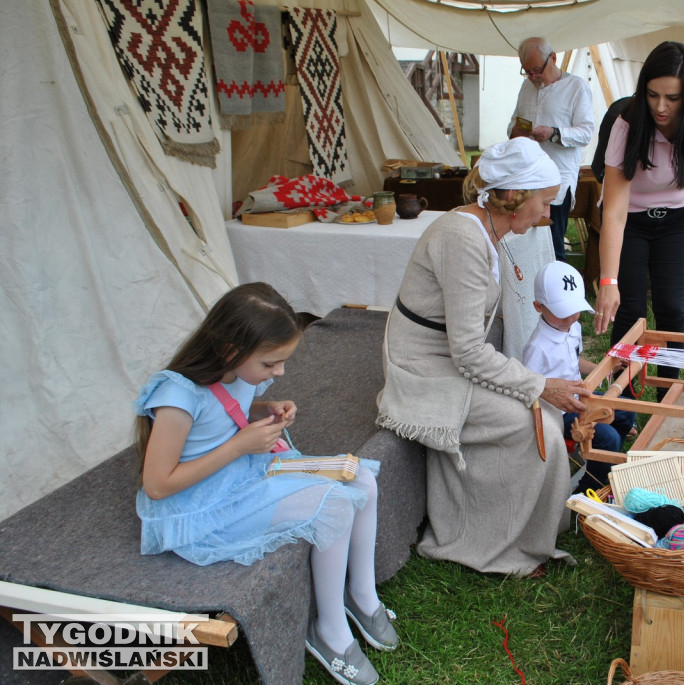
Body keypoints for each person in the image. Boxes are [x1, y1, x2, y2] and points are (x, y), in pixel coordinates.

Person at [134, 283, 395, 685]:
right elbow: (157, 486)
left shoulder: (237, 370)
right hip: (204, 505)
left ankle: (361, 595)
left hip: (246, 472)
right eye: (271, 364)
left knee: (361, 477)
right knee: (336, 504)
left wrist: (265, 407)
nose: (280, 372)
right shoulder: (176, 396)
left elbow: (228, 406)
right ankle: (329, 632)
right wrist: (240, 445)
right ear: (230, 349)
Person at [376, 137, 588, 578]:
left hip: (448, 352)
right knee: (531, 424)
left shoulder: (489, 229)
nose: (549, 213)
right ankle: (489, 542)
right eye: (545, 202)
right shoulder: (463, 237)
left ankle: (527, 531)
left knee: (540, 419)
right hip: (421, 366)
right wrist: (540, 384)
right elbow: (469, 353)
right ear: (515, 198)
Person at [593, 41, 684, 390]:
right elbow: (615, 212)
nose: (660, 107)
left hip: (676, 220)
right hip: (630, 221)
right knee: (629, 309)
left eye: (672, 98)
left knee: (671, 310)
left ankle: (668, 397)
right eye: (652, 95)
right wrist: (608, 281)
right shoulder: (626, 124)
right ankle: (624, 408)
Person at [522, 261, 636, 490]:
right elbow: (529, 389)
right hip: (558, 411)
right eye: (563, 312)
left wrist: (603, 368)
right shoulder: (537, 348)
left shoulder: (573, 327)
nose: (572, 317)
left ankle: (605, 461)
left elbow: (575, 360)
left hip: (581, 397)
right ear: (538, 306)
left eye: (575, 309)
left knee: (626, 410)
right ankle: (589, 486)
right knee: (607, 437)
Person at [509, 37, 594, 262]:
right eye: (527, 71)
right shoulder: (527, 86)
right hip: (525, 176)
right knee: (522, 241)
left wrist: (554, 133)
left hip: (557, 180)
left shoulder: (576, 87)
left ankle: (555, 294)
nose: (533, 77)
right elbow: (512, 123)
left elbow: (586, 132)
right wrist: (516, 131)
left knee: (552, 245)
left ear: (553, 58)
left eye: (537, 70)